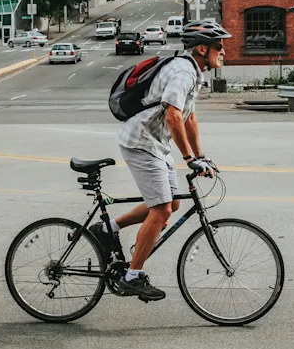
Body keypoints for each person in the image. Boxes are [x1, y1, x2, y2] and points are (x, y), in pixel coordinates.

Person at [91, 20, 231, 301]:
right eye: (219, 46)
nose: (223, 51)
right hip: (141, 142)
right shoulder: (182, 72)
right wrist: (189, 158)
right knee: (162, 210)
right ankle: (132, 276)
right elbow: (173, 116)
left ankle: (108, 228)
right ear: (202, 49)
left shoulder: (193, 71)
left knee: (173, 203)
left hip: (156, 144)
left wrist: (200, 155)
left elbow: (188, 117)